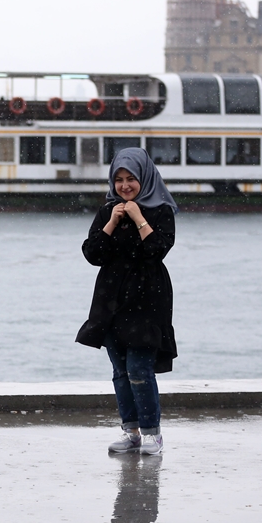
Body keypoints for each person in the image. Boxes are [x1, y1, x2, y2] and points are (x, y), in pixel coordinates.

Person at [76, 147, 178, 455]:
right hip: (111, 298)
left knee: (139, 368)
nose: (124, 186)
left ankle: (152, 433)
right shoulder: (109, 210)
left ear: (144, 178)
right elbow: (93, 253)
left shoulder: (160, 210)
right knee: (120, 369)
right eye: (118, 179)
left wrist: (137, 217)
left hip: (148, 297)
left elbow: (157, 249)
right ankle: (130, 430)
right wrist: (112, 221)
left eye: (131, 179)